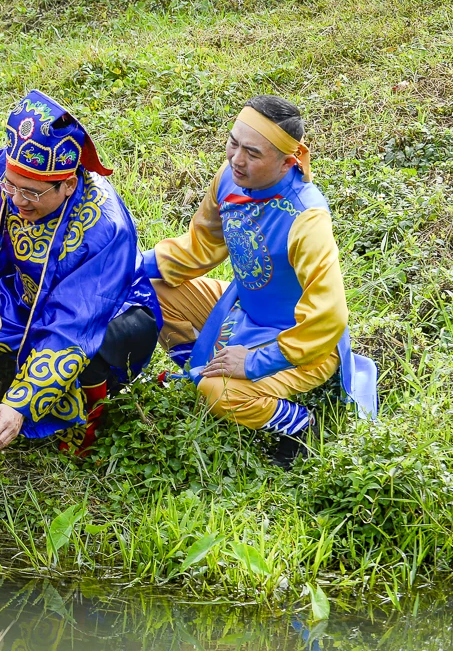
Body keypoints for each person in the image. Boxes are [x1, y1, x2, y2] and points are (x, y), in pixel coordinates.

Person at [0, 90, 160, 455]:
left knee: (100, 345)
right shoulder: (14, 181)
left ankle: (89, 416)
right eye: (11, 186)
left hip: (106, 312)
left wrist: (21, 403)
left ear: (68, 185)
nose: (17, 201)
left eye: (31, 194)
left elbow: (73, 323)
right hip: (24, 298)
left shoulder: (103, 229)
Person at [144, 95, 378, 463]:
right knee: (152, 291)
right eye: (233, 143)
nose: (236, 159)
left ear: (289, 160)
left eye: (252, 153)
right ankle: (202, 369)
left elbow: (328, 317)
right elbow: (199, 247)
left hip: (302, 341)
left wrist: (255, 363)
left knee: (219, 392)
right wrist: (126, 269)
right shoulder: (228, 179)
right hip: (242, 312)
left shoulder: (307, 218)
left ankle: (301, 425)